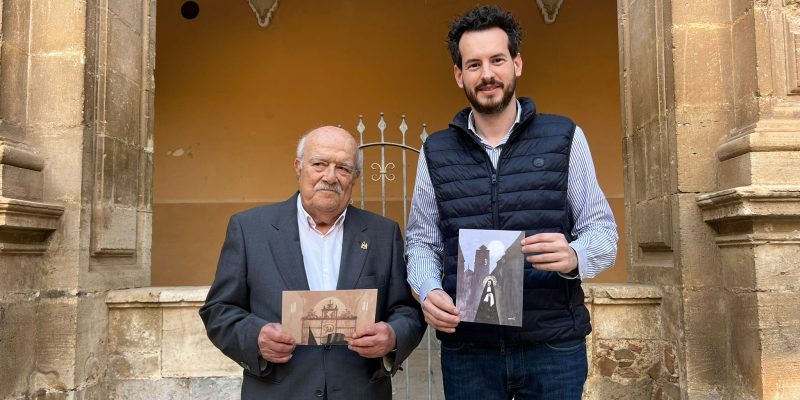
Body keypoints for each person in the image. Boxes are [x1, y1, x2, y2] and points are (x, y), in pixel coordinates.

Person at [406, 5, 619, 399]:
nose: (487, 74)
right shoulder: (435, 151)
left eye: (497, 60)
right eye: (473, 64)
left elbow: (602, 232)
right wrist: (428, 288)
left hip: (552, 346)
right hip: (469, 350)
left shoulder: (564, 136)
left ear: (516, 64)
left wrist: (574, 254)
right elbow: (422, 241)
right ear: (459, 75)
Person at [200, 126, 425, 400]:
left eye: (343, 168)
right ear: (298, 167)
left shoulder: (382, 233)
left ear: (355, 177)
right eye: (319, 164)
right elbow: (218, 310)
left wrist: (392, 337)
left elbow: (406, 310)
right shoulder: (249, 229)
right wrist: (255, 338)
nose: (330, 177)